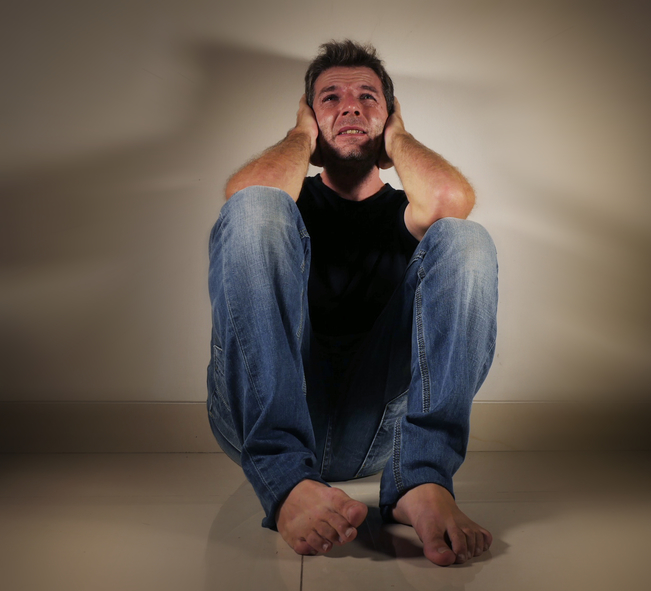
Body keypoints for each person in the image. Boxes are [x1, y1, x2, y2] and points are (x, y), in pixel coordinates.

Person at [206, 40, 498, 567]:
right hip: (258, 417)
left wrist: (400, 139)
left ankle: (423, 479)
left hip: (375, 429)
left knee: (466, 239)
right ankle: (286, 479)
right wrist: (300, 138)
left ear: (387, 117)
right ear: (311, 118)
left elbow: (451, 205)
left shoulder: (406, 213)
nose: (351, 106)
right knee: (254, 210)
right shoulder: (286, 202)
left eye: (368, 97)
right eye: (331, 98)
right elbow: (244, 201)